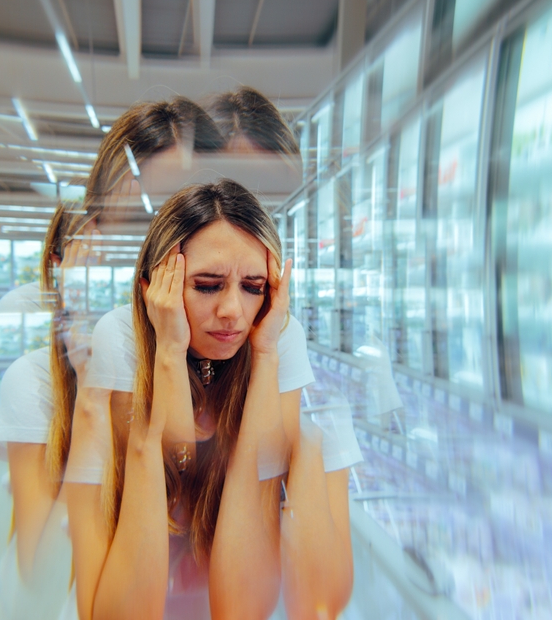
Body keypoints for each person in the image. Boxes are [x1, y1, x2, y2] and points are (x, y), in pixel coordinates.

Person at [66, 179, 359, 619]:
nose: (233, 312)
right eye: (207, 285)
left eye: (253, 287)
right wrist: (168, 353)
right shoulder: (123, 337)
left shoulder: (274, 336)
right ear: (154, 288)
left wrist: (265, 356)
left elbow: (240, 610)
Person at [0, 98, 224, 617]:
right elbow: (38, 573)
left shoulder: (222, 365)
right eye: (135, 221)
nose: (159, 251)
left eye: (183, 217)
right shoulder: (38, 380)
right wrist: (92, 378)